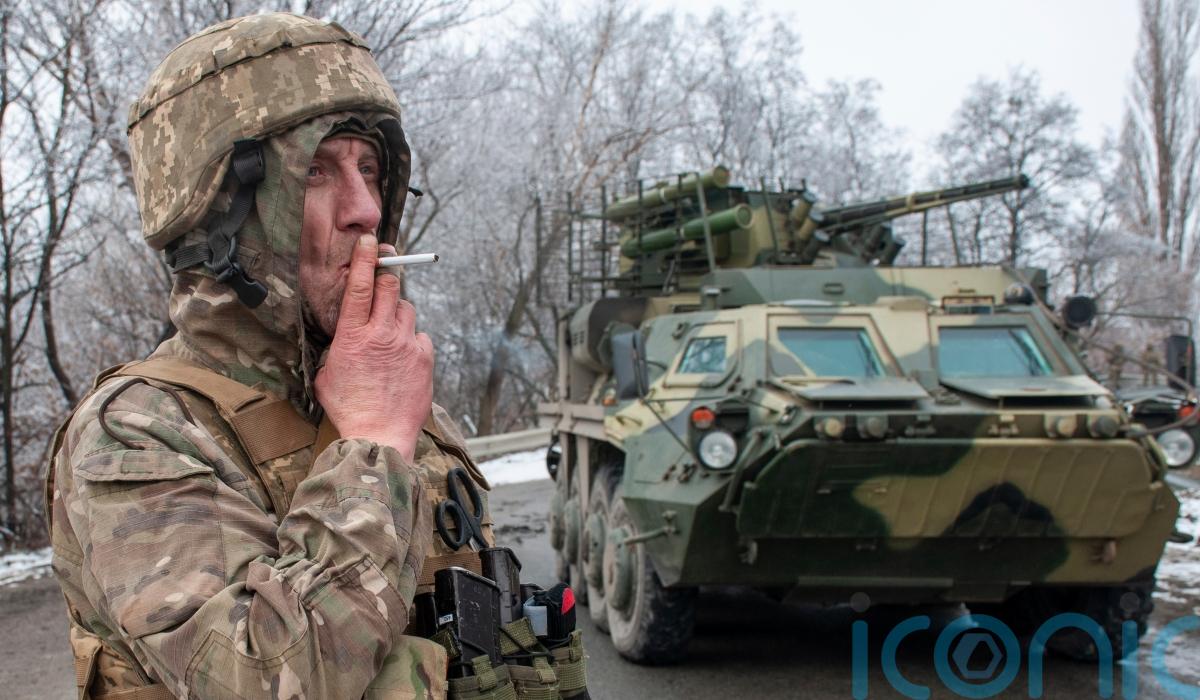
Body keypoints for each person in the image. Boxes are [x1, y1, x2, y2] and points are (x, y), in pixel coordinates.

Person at [45, 13, 496, 699]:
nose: (366, 210)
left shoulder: (394, 395)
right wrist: (373, 447)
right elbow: (260, 678)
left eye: (369, 168)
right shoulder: (137, 433)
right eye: (315, 171)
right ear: (225, 214)